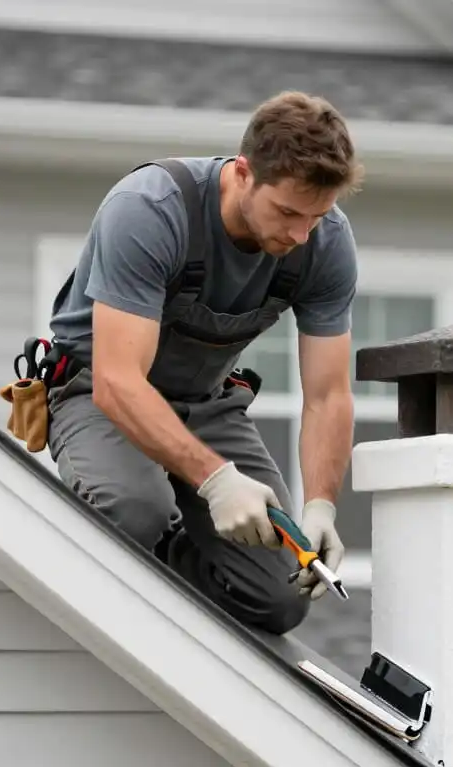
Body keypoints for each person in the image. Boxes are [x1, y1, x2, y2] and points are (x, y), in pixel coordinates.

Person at [44, 90, 362, 635]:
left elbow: (328, 394)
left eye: (317, 216)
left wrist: (322, 506)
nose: (299, 234)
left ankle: (157, 570)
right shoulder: (150, 210)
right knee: (134, 512)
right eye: (286, 211)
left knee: (279, 596)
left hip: (207, 404)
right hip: (97, 394)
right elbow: (118, 382)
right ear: (243, 173)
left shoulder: (325, 243)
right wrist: (215, 481)